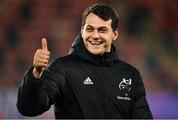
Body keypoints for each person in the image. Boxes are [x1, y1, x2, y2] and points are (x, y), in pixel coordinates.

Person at [16, 4, 153, 119]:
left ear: (115, 34)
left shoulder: (130, 75)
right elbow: (28, 108)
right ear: (82, 32)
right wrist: (36, 73)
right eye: (90, 29)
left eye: (102, 30)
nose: (95, 35)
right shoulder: (63, 68)